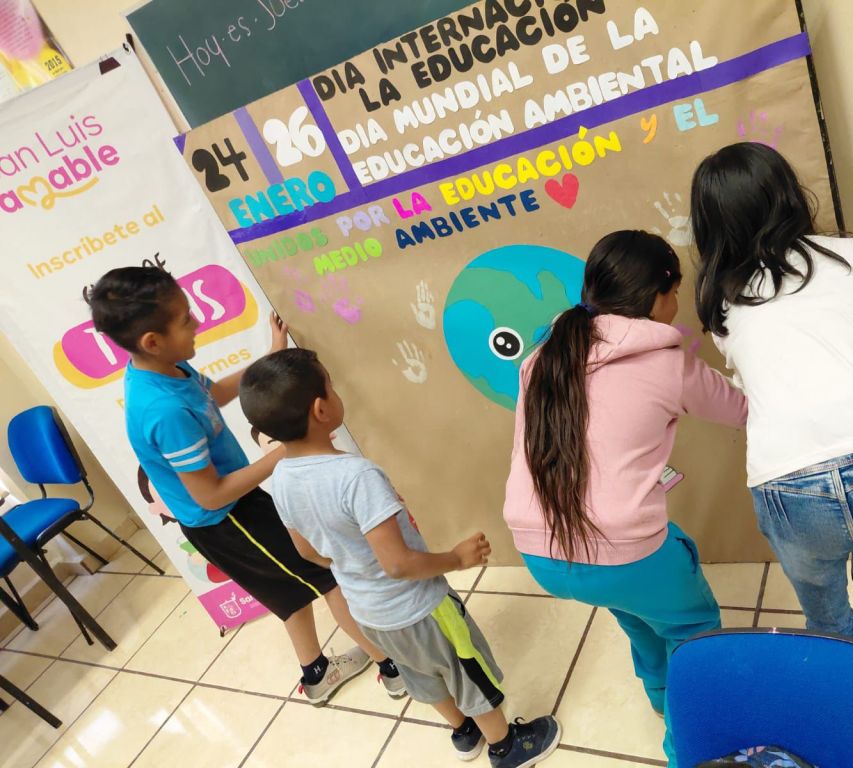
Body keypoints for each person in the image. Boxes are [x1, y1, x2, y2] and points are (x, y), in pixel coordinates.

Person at [88, 266, 405, 705]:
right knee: (326, 578)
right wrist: (291, 448)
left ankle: (316, 675)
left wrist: (270, 357)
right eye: (185, 319)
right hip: (224, 519)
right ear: (151, 341)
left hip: (235, 506)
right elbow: (211, 494)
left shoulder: (167, 369)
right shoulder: (162, 410)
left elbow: (214, 393)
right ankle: (394, 668)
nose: (197, 320)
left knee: (290, 593)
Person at [238, 348, 561, 768]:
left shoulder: (279, 478)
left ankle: (463, 732)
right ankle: (504, 746)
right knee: (465, 670)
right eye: (331, 387)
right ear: (321, 409)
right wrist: (457, 558)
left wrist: (353, 568)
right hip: (421, 608)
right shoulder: (356, 476)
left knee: (420, 674)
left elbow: (305, 551)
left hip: (368, 613)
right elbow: (398, 564)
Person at [502, 230, 748, 767]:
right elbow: (742, 409)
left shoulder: (543, 355)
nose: (677, 304)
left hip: (540, 553)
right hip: (619, 553)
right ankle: (689, 749)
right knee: (693, 632)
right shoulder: (666, 362)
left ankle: (659, 698)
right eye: (676, 290)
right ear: (659, 293)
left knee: (636, 607)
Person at [689, 142, 853, 659]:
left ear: (711, 226)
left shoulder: (725, 308)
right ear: (787, 194)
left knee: (827, 620)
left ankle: (848, 722)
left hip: (789, 484)